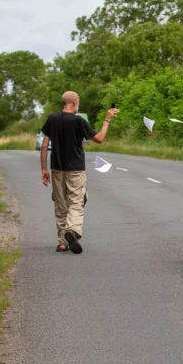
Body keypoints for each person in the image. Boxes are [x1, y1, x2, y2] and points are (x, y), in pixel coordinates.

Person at [39, 91, 119, 254]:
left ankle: (62, 242)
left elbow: (44, 145)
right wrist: (107, 120)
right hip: (75, 168)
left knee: (60, 205)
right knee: (76, 201)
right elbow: (99, 138)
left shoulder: (52, 119)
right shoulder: (78, 121)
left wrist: (43, 169)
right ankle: (73, 230)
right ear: (75, 102)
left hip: (56, 168)